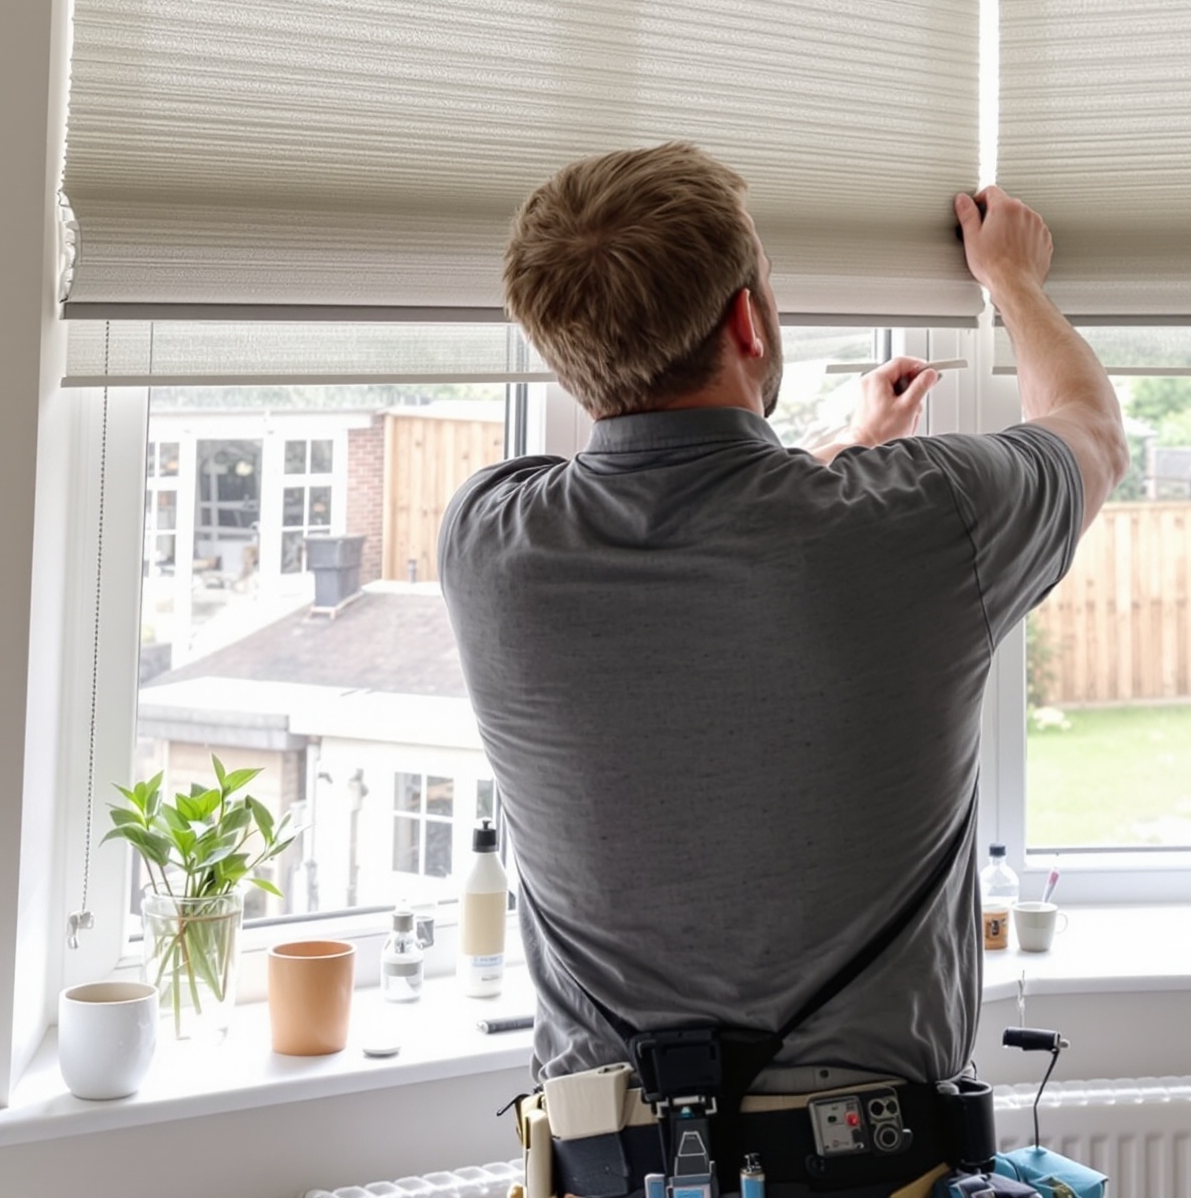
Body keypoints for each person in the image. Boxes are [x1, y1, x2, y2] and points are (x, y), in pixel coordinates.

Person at [440, 142, 1125, 1196]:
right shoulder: (922, 519)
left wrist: (845, 449)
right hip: (869, 1168)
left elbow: (696, 528)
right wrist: (1014, 283)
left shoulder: (488, 541)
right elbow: (1086, 429)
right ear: (749, 321)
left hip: (600, 1169)